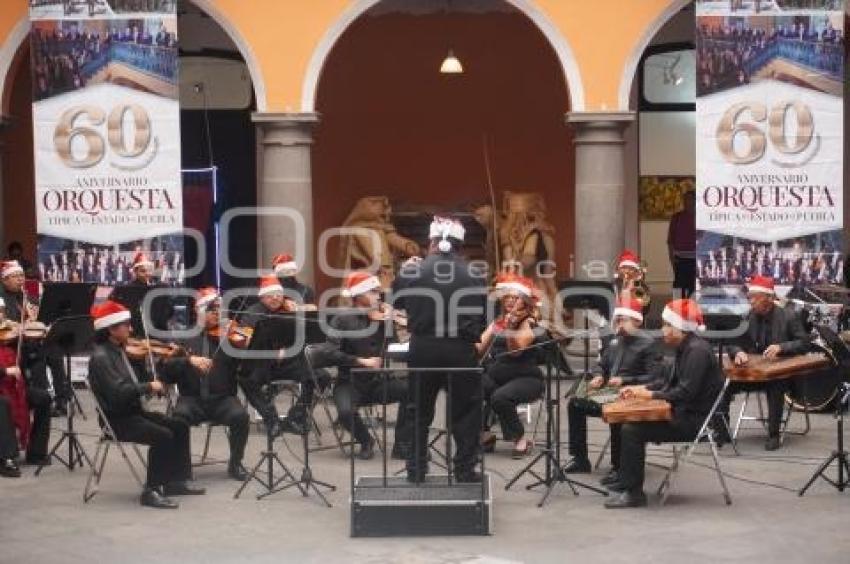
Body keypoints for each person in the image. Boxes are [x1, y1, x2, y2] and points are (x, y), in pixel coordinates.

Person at [393, 215, 487, 483]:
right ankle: (464, 469)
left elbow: (397, 302)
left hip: (423, 347)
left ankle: (416, 469)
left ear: (432, 242)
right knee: (465, 412)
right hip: (460, 349)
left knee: (418, 410)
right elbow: (482, 315)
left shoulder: (413, 271)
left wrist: (403, 273)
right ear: (460, 244)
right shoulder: (474, 274)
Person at [604, 299, 722, 509]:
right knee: (627, 423)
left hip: (692, 421)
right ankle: (625, 481)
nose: (663, 330)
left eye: (667, 325)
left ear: (680, 328)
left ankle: (634, 493)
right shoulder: (685, 347)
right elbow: (668, 381)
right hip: (681, 413)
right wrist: (641, 389)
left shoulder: (697, 352)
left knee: (632, 430)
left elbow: (685, 393)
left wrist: (651, 396)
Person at [87, 300, 205, 509]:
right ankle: (151, 490)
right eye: (126, 325)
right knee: (163, 435)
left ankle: (175, 481)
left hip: (134, 412)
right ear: (111, 329)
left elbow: (138, 382)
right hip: (117, 420)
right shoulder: (101, 358)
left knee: (179, 425)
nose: (131, 329)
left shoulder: (121, 351)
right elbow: (118, 394)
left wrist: (155, 377)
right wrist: (148, 386)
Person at [311, 271, 411, 460]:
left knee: (412, 390)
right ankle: (366, 440)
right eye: (373, 292)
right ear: (359, 295)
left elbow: (394, 349)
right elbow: (328, 352)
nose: (378, 296)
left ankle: (402, 444)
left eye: (378, 291)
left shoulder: (382, 319)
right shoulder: (342, 319)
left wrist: (395, 323)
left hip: (378, 381)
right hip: (349, 381)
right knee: (345, 412)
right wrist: (360, 361)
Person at [564, 296, 663, 485]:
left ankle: (619, 467)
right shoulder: (615, 341)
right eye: (617, 320)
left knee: (617, 412)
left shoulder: (648, 344)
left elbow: (654, 378)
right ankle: (580, 458)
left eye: (623, 320)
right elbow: (601, 365)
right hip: (611, 392)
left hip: (633, 394)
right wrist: (598, 375)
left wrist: (625, 380)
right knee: (575, 404)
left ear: (637, 321)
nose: (619, 324)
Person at [159, 288, 250, 480]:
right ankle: (182, 469)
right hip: (191, 399)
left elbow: (246, 369)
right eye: (211, 309)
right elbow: (165, 372)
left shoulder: (229, 337)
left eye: (219, 309)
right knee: (178, 418)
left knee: (241, 417)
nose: (217, 313)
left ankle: (236, 463)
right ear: (198, 311)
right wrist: (188, 360)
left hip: (223, 399)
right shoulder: (182, 338)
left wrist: (248, 349)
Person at [721, 276, 810, 451]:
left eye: (755, 297)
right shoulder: (748, 316)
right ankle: (721, 431)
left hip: (782, 374)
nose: (751, 301)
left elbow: (804, 343)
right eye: (750, 297)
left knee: (776, 384)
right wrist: (738, 352)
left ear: (769, 298)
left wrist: (781, 347)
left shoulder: (789, 316)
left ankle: (773, 434)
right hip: (755, 372)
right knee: (722, 382)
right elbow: (733, 342)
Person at [239, 275, 313, 438]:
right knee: (245, 379)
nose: (275, 298)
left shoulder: (290, 309)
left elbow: (310, 323)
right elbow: (245, 341)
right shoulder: (251, 313)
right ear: (261, 297)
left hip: (288, 362)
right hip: (263, 363)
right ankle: (271, 419)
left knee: (319, 376)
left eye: (278, 294)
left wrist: (299, 310)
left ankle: (295, 417)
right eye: (270, 295)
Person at [478, 274, 543, 459]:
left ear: (525, 302)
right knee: (471, 384)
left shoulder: (528, 323)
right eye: (507, 296)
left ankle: (520, 439)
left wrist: (510, 329)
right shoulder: (497, 322)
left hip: (526, 378)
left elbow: (515, 351)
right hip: (498, 377)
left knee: (500, 397)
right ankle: (484, 434)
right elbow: (479, 351)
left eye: (516, 297)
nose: (510, 300)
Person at [667, 191, 696, 298]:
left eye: (691, 199)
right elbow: (670, 240)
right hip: (680, 259)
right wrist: (671, 257)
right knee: (679, 287)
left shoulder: (701, 218)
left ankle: (692, 306)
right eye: (686, 199)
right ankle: (679, 306)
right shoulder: (676, 217)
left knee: (694, 288)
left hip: (696, 259)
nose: (688, 202)